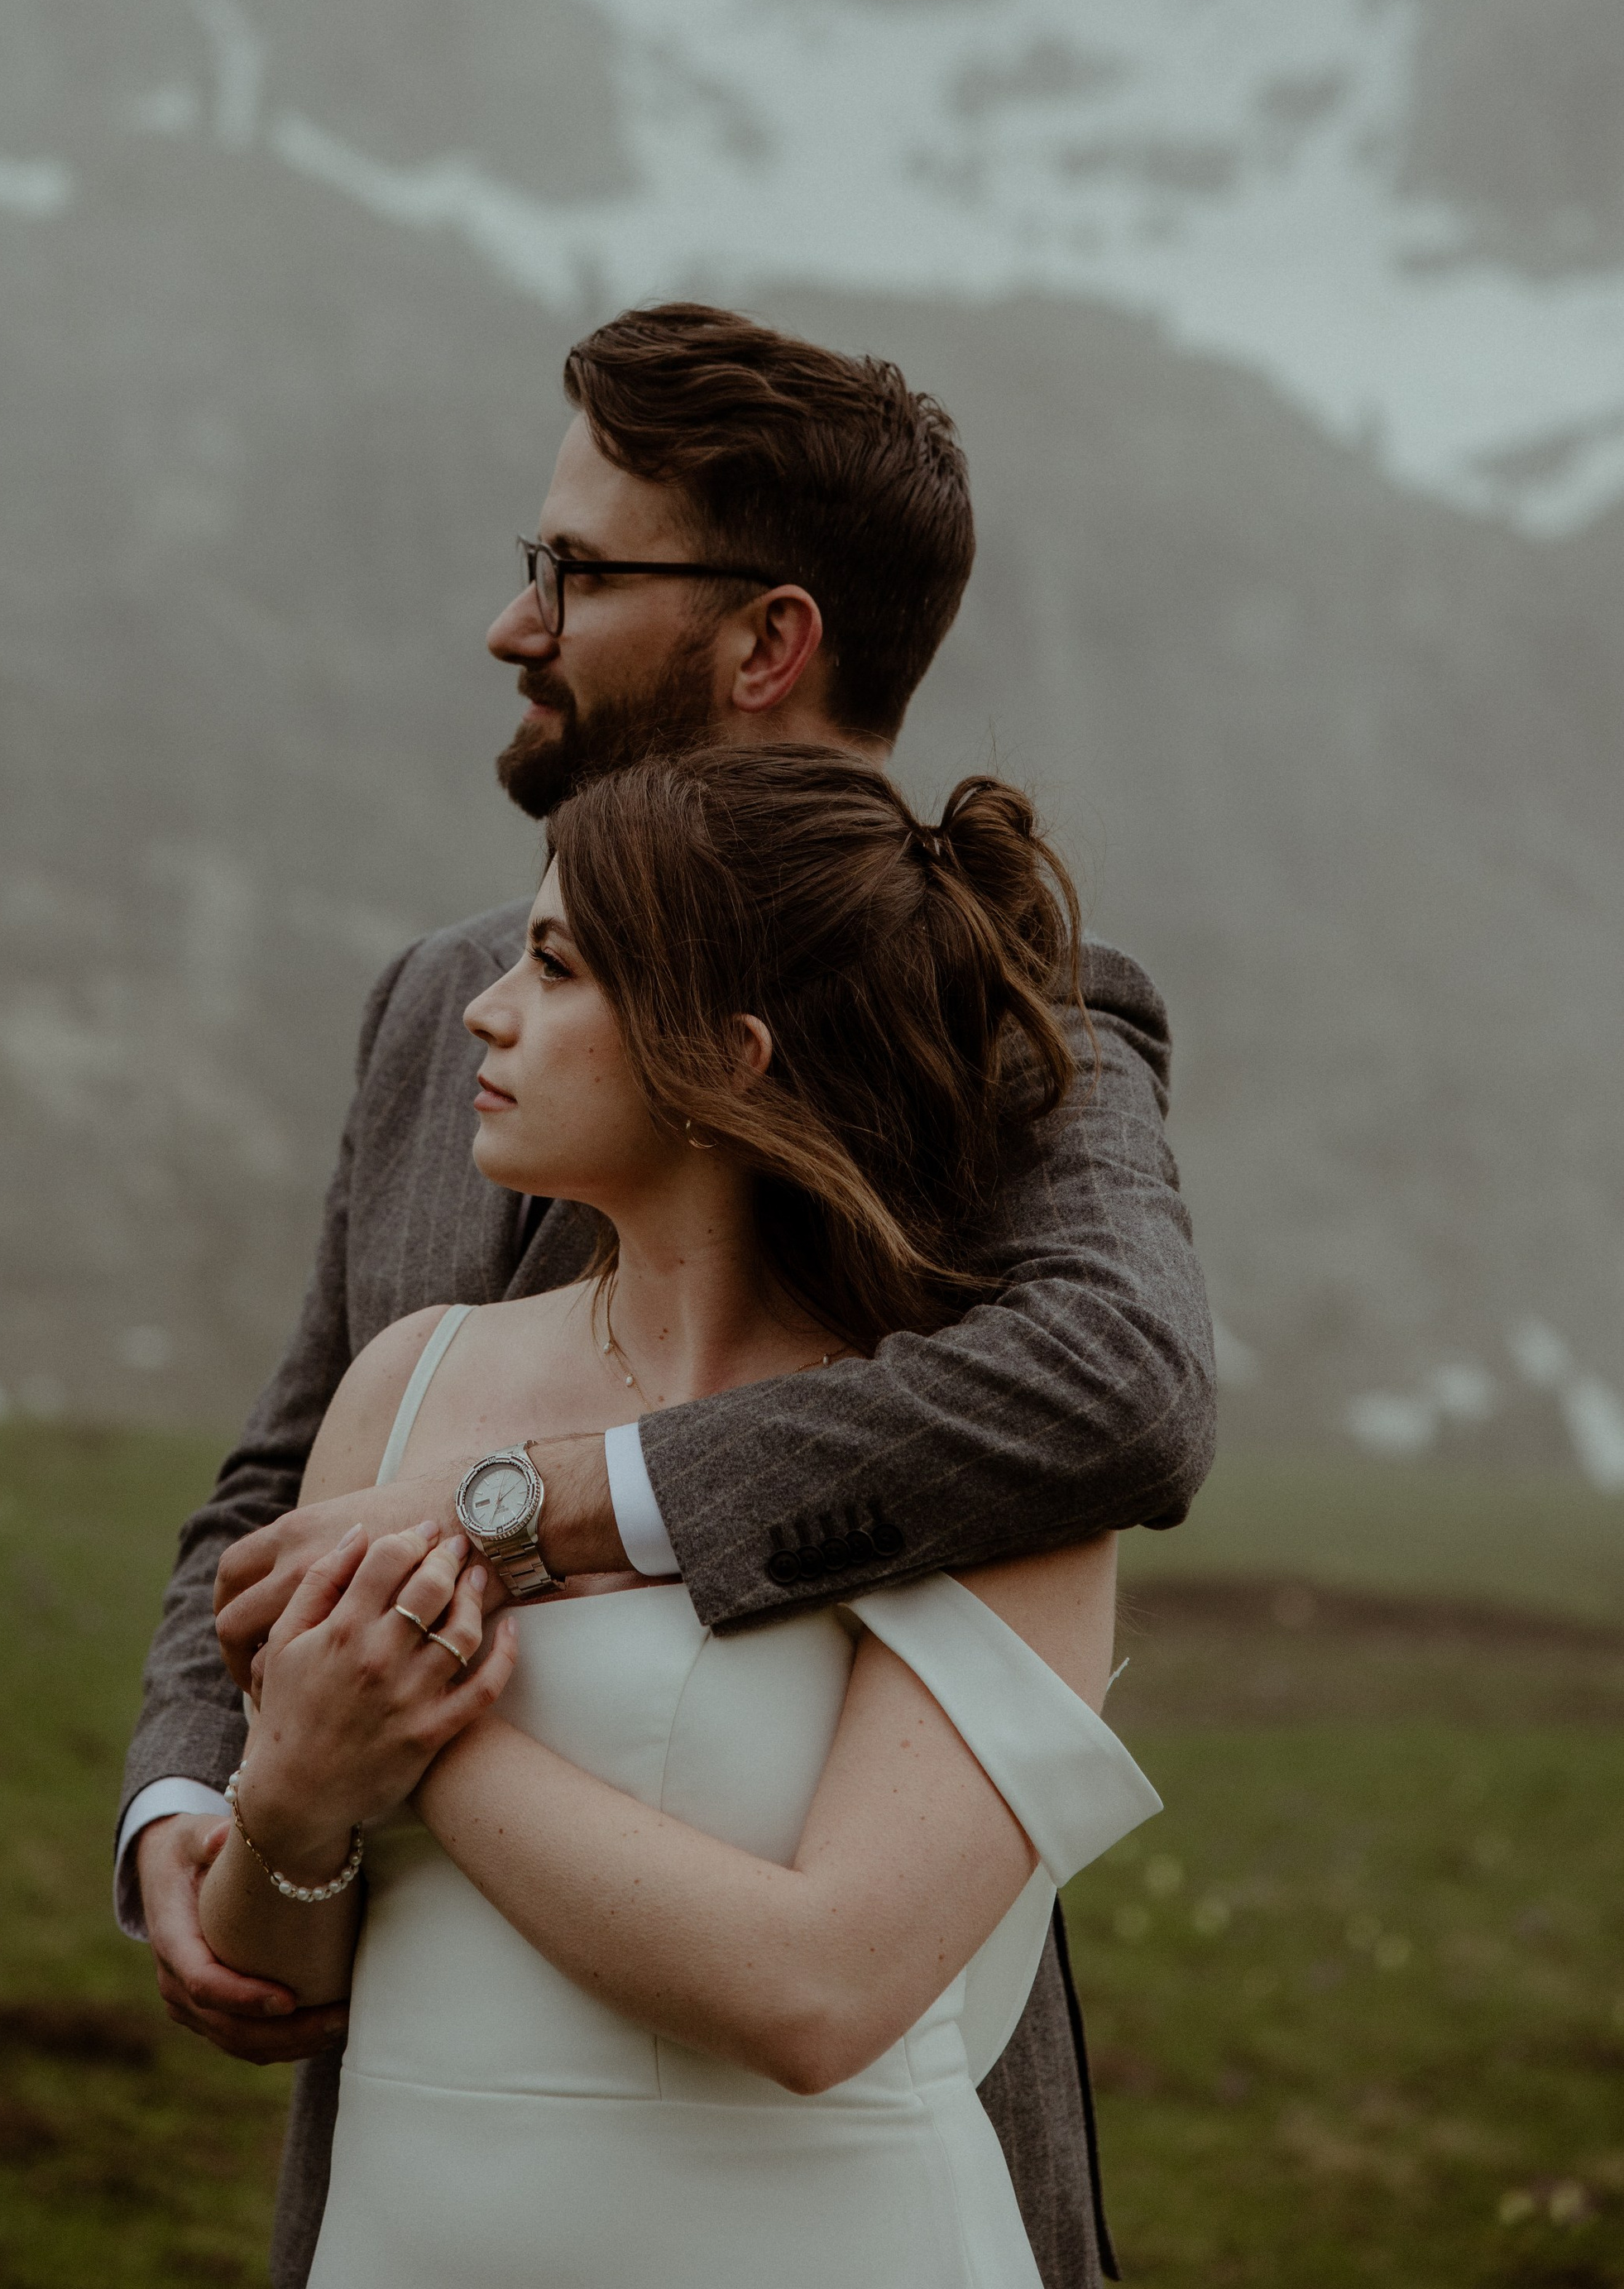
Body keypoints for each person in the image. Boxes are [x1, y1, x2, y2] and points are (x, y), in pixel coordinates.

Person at [118, 302, 1215, 2289]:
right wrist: (214, 1793)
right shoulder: (434, 998)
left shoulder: (1005, 1015)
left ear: (764, 637)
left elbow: (1118, 1381)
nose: (511, 622)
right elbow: (280, 1483)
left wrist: (523, 1516)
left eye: (571, 568)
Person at [195, 745, 1162, 2289]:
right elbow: (279, 1967)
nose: (485, 1008)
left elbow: (820, 1991)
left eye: (556, 965)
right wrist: (297, 1798)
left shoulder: (980, 1467)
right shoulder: (409, 1380)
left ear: (729, 1054)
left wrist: (418, 1736)